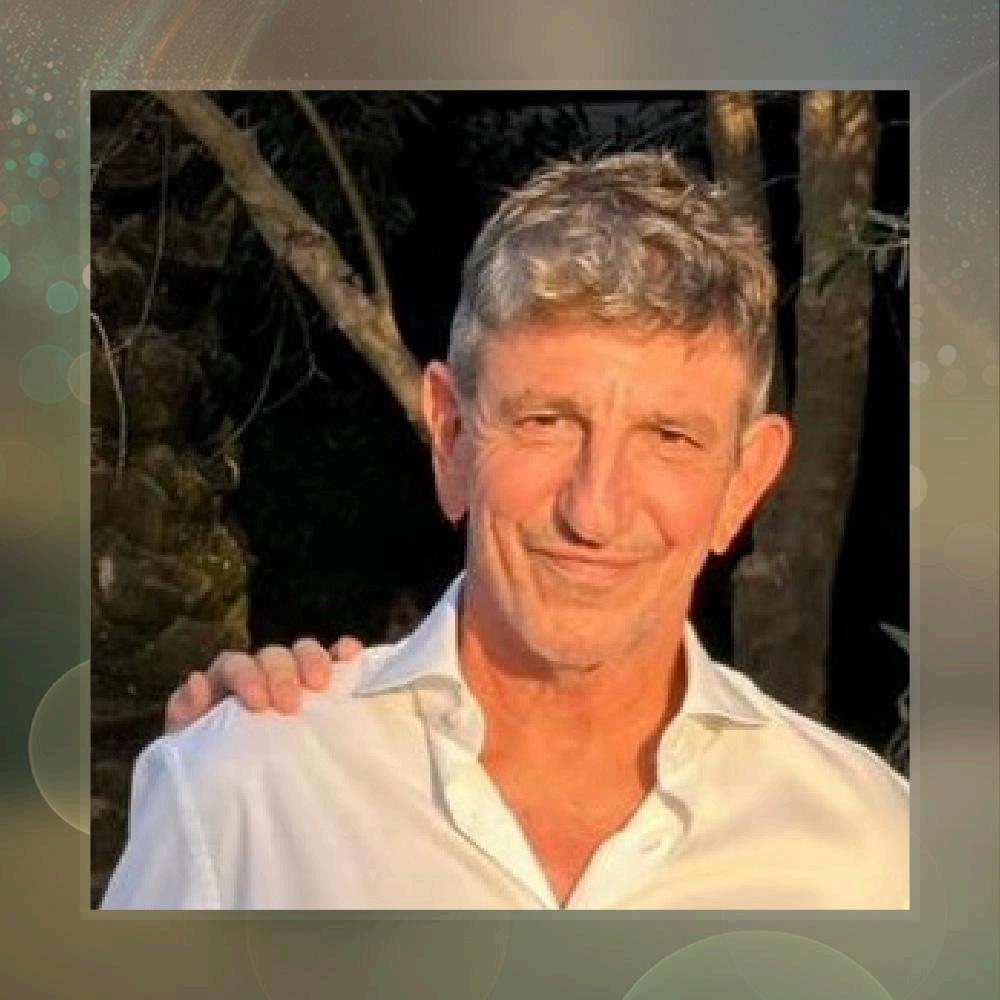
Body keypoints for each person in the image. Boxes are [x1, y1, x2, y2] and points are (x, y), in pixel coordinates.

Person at [102, 151, 909, 910]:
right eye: (547, 421)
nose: (594, 512)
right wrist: (226, 770)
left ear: (744, 481)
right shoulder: (244, 794)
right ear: (452, 436)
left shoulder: (873, 848)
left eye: (669, 437)